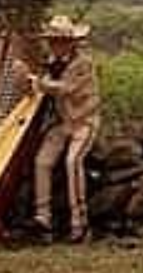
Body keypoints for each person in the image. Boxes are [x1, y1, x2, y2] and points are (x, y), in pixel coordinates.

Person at [25, 14, 102, 242]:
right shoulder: (50, 63)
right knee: (42, 161)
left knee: (73, 161)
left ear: (71, 42)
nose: (55, 45)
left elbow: (66, 89)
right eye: (52, 40)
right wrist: (26, 82)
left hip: (84, 121)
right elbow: (43, 90)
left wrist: (37, 82)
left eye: (59, 40)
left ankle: (80, 224)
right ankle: (43, 219)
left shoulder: (83, 63)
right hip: (62, 123)